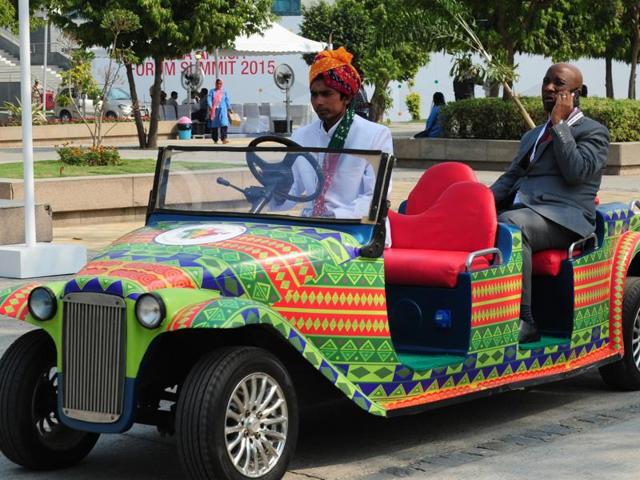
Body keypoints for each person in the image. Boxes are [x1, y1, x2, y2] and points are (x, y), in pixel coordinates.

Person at [490, 63, 609, 343]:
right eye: (546, 82)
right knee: (482, 220)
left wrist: (559, 125)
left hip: (566, 218)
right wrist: (476, 205)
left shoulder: (594, 132)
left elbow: (576, 171)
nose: (549, 88)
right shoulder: (532, 136)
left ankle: (525, 319)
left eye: (558, 84)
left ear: (574, 95)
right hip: (526, 212)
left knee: (511, 226)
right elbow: (510, 179)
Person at [282, 46, 393, 224]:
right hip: (310, 226)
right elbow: (292, 189)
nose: (318, 101)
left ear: (347, 98)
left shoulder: (376, 135)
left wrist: (336, 216)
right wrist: (271, 192)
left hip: (357, 228)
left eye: (327, 94)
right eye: (314, 94)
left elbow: (376, 197)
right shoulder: (301, 137)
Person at [207, 79, 234, 144]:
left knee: (224, 124)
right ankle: (215, 139)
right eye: (218, 83)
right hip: (215, 110)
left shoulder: (224, 92)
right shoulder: (212, 91)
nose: (219, 85)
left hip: (223, 110)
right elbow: (209, 99)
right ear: (215, 84)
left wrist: (229, 108)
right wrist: (210, 106)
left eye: (220, 84)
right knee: (214, 125)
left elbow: (227, 100)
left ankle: (224, 139)